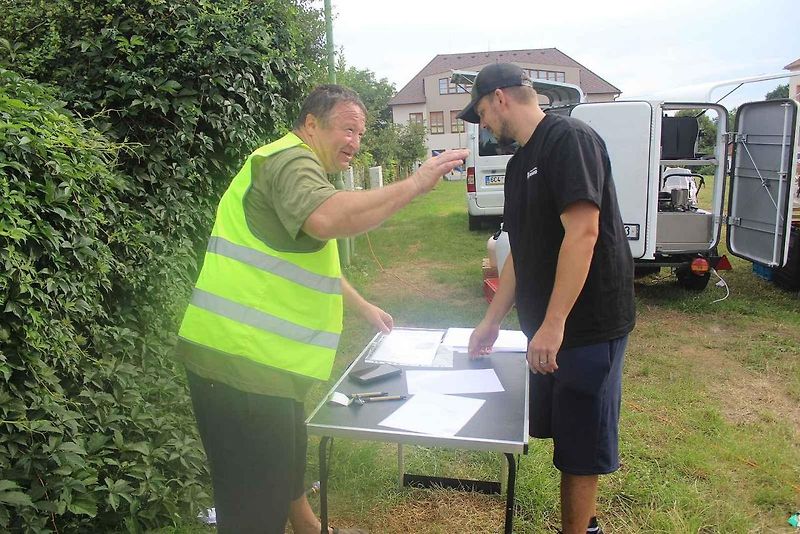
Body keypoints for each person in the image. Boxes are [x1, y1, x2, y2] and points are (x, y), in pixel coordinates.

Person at [176, 84, 468, 534]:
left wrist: (361, 305)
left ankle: (309, 528)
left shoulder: (295, 164)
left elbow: (306, 257)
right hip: (241, 363)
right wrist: (414, 184)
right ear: (311, 124)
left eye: (360, 133)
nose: (355, 142)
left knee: (288, 459)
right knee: (254, 510)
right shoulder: (290, 161)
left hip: (264, 363)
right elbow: (327, 218)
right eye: (347, 130)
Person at [460, 64, 635, 534]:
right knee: (567, 435)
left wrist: (554, 323)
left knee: (581, 446)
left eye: (481, 113)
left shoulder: (569, 140)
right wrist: (492, 320)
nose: (483, 125)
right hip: (550, 331)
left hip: (587, 325)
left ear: (500, 98)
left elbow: (583, 232)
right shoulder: (518, 165)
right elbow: (521, 252)